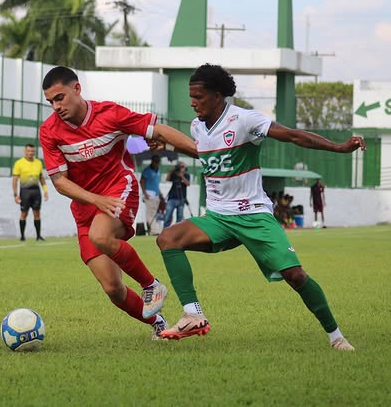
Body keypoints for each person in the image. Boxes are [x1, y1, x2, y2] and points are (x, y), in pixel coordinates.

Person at [152, 63, 366, 351]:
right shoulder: (197, 126)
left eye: (198, 97)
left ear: (218, 96)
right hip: (218, 217)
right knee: (168, 239)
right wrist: (168, 147)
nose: (192, 102)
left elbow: (292, 135)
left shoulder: (244, 120)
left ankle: (336, 337)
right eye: (191, 96)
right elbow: (203, 153)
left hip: (253, 215)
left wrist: (339, 148)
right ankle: (193, 314)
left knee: (296, 276)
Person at [38, 66, 195, 340]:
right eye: (50, 101)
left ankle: (152, 285)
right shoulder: (50, 131)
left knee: (101, 236)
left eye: (60, 97)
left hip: (119, 189)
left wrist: (202, 152)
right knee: (113, 288)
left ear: (77, 89)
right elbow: (60, 182)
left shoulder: (110, 114)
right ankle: (157, 322)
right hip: (86, 208)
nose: (56, 106)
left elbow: (157, 130)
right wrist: (95, 200)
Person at [12, 144, 49, 241]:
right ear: (25, 151)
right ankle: (22, 236)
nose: (30, 153)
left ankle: (38, 236)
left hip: (36, 191)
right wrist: (15, 195)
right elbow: (15, 180)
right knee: (24, 213)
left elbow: (41, 178)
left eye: (32, 151)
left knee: (37, 213)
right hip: (25, 191)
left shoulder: (38, 163)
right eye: (29, 151)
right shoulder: (19, 163)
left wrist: (45, 190)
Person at [139, 154, 162, 235]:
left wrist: (161, 194)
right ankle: (154, 231)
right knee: (150, 213)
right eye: (156, 161)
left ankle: (154, 229)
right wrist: (145, 193)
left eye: (158, 162)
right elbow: (142, 181)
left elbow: (156, 184)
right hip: (149, 194)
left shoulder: (158, 171)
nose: (157, 163)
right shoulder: (147, 170)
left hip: (156, 194)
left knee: (155, 213)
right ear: (152, 161)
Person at [163, 162, 191, 228]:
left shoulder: (187, 175)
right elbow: (167, 179)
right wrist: (171, 171)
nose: (181, 168)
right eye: (180, 167)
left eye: (182, 167)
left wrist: (182, 176)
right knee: (168, 215)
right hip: (172, 198)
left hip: (181, 198)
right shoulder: (174, 174)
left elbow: (188, 183)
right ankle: (165, 230)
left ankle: (176, 232)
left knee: (180, 218)